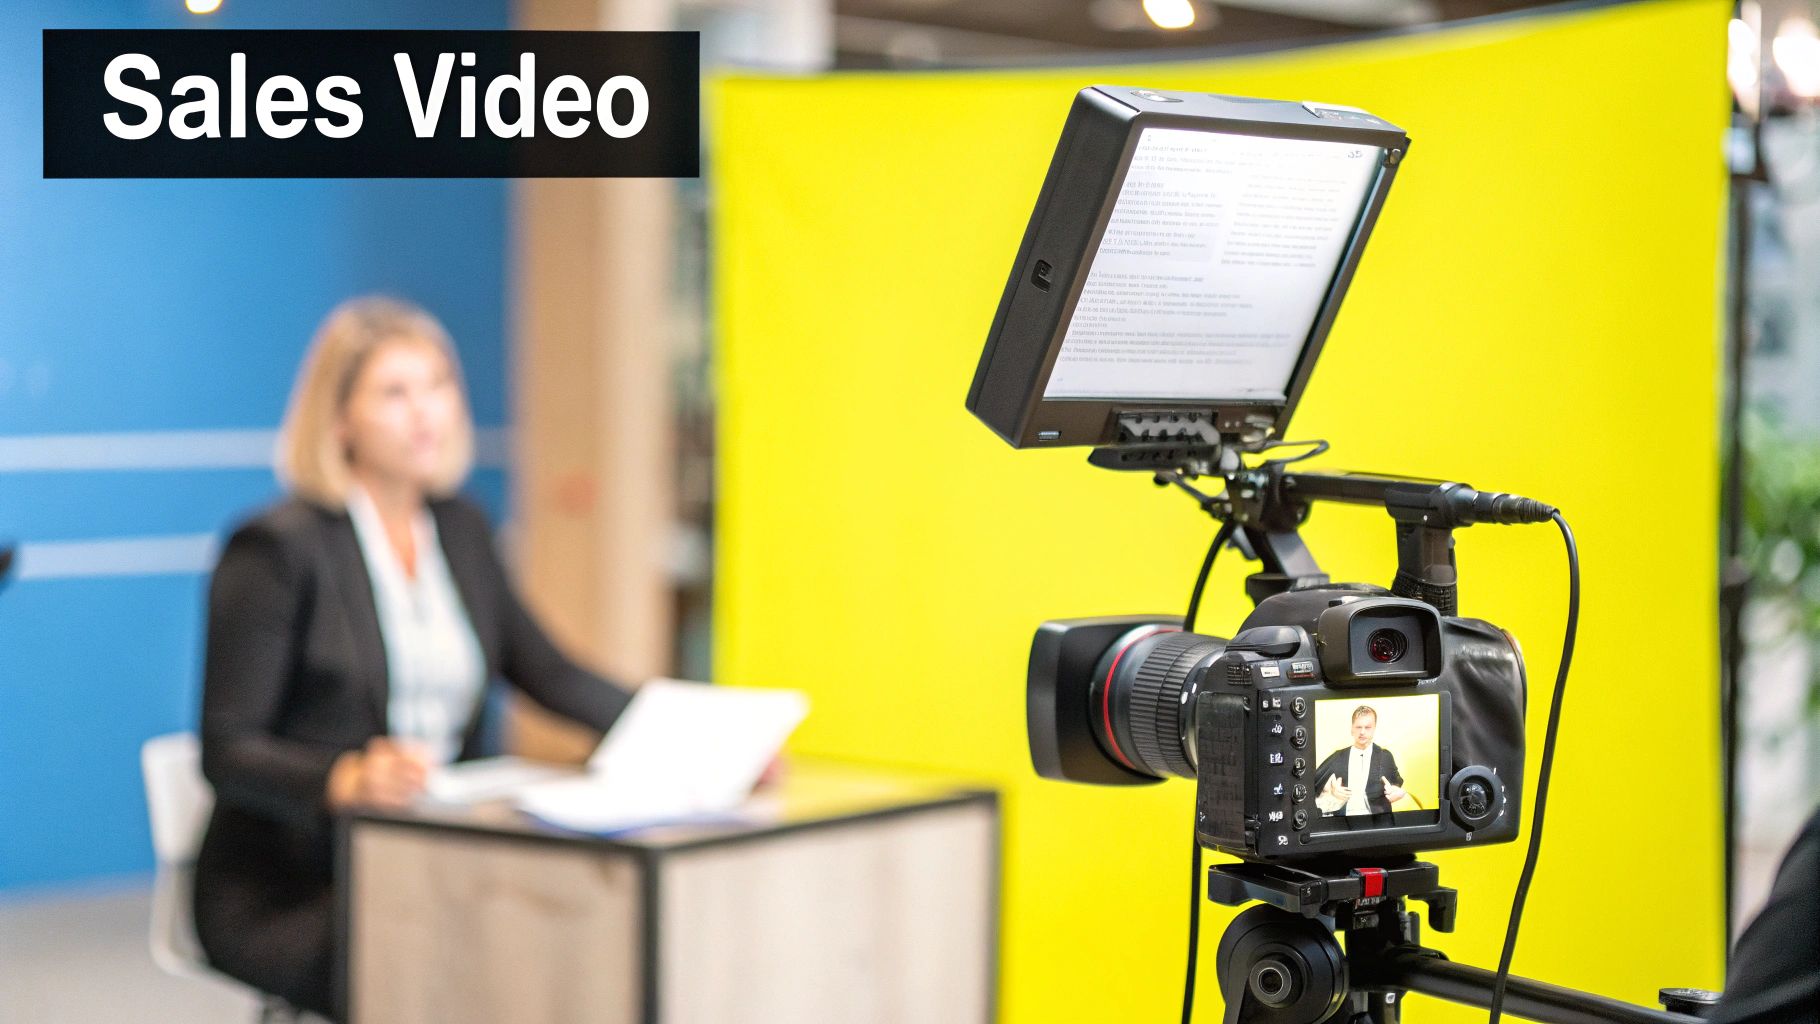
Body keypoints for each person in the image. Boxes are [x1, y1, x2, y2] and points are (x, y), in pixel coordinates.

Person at [192, 297, 633, 1020]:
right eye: (395, 394)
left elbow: (551, 673)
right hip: (295, 880)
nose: (425, 413)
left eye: (438, 386)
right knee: (474, 961)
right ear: (340, 419)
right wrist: (344, 777)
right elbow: (228, 749)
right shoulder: (277, 548)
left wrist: (692, 731)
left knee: (573, 933)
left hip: (440, 854)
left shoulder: (461, 529)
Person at [1313, 704, 1407, 816]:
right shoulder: (1338, 757)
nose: (1362, 732)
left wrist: (1399, 792)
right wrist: (1331, 792)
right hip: (1344, 821)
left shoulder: (1385, 756)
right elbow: (1312, 784)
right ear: (1352, 729)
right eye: (1358, 727)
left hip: (1377, 820)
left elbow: (1397, 784)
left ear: (1374, 729)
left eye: (1367, 727)